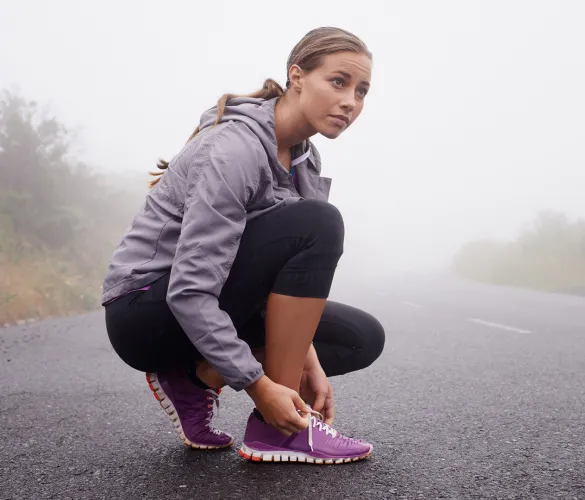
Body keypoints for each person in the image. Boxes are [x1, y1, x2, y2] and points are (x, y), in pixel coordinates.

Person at [101, 27, 384, 465]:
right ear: (297, 76)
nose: (351, 101)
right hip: (145, 311)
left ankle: (196, 378)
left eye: (362, 91)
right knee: (318, 222)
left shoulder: (305, 159)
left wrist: (307, 357)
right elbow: (190, 289)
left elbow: (286, 275)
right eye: (339, 81)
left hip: (212, 300)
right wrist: (259, 384)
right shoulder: (233, 149)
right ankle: (277, 432)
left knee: (360, 339)